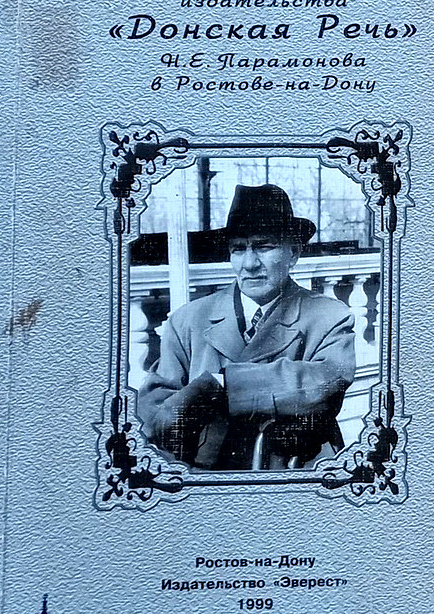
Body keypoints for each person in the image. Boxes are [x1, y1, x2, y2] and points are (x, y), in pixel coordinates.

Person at [135, 182, 358, 470]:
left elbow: (327, 382)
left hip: (294, 471)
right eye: (238, 249)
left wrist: (222, 385)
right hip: (204, 474)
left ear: (293, 253)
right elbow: (153, 413)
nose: (249, 264)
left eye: (264, 246)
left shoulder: (329, 315)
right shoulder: (188, 320)